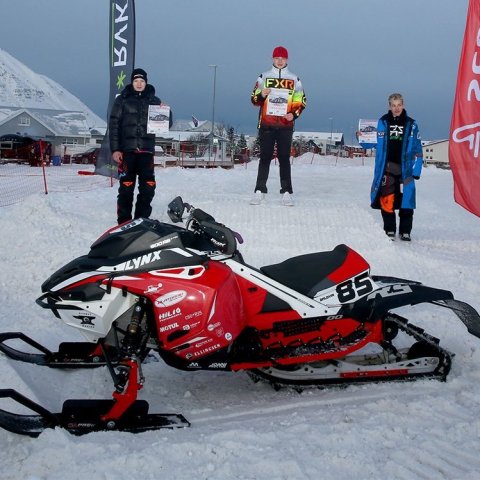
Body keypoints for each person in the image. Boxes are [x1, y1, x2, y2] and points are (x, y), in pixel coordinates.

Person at [109, 68, 172, 224]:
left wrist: (167, 112)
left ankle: (141, 220)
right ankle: (124, 221)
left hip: (146, 152)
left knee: (148, 187)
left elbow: (167, 124)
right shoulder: (122, 100)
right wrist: (115, 149)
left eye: (142, 81)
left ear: (146, 82)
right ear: (132, 82)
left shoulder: (154, 100)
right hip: (127, 153)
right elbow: (114, 125)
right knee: (126, 188)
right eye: (136, 81)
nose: (139, 84)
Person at [250, 46, 306, 206]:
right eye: (277, 58)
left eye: (283, 58)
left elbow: (301, 101)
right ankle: (259, 190)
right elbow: (254, 100)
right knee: (264, 158)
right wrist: (261, 95)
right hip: (267, 124)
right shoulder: (264, 77)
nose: (280, 61)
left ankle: (286, 192)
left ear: (287, 60)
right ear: (272, 59)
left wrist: (293, 114)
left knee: (284, 159)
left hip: (285, 126)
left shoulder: (295, 79)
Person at [370, 93, 423, 241]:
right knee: (387, 199)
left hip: (406, 168)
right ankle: (390, 229)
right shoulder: (383, 122)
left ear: (403, 105)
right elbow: (374, 143)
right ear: (389, 106)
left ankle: (405, 231)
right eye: (393, 105)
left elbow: (418, 149)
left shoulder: (412, 124)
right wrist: (362, 139)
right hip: (387, 167)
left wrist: (416, 170)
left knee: (408, 200)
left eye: (399, 105)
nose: (396, 108)